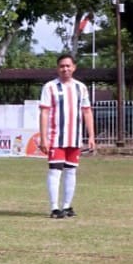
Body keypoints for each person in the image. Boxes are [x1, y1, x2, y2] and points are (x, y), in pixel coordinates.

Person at [38, 54, 96, 218]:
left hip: (75, 138)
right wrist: (43, 138)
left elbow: (87, 111)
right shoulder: (49, 87)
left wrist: (91, 136)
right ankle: (55, 208)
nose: (65, 69)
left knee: (71, 171)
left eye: (68, 66)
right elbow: (44, 112)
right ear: (58, 68)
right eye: (62, 66)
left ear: (74, 67)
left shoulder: (81, 87)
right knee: (55, 171)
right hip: (56, 137)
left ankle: (67, 206)